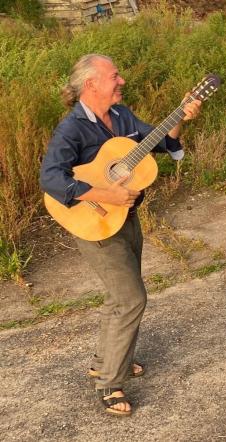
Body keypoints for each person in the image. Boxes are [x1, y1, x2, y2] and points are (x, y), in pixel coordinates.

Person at [39, 54, 202, 416]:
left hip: (125, 218)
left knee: (119, 296)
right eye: (115, 76)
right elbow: (50, 178)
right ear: (92, 84)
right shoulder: (72, 129)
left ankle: (106, 359)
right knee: (132, 299)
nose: (122, 81)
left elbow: (157, 141)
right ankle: (109, 382)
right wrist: (105, 194)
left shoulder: (123, 116)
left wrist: (180, 120)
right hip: (94, 221)